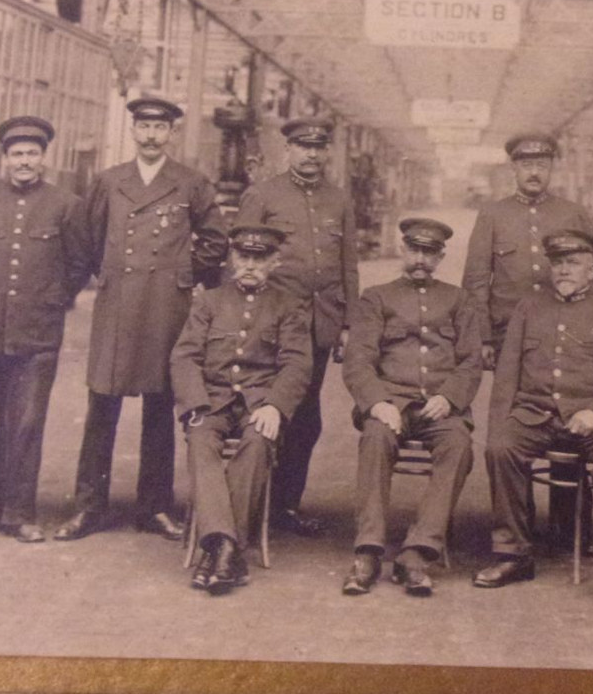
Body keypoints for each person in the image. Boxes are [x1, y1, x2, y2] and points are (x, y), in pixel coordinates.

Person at [54, 96, 227, 542]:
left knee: (159, 407)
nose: (151, 135)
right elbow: (85, 237)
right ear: (133, 131)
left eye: (160, 127)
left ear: (171, 133)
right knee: (102, 407)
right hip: (117, 304)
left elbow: (214, 239)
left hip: (166, 305)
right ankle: (89, 508)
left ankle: (155, 508)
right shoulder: (109, 182)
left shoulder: (191, 184)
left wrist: (184, 277)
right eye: (144, 126)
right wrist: (107, 273)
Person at [473, 230, 593, 612]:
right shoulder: (529, 308)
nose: (564, 270)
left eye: (573, 263)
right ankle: (514, 554)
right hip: (534, 415)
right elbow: (507, 376)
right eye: (558, 263)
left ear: (591, 269)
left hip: (592, 418)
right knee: (500, 450)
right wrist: (498, 427)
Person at [0, 116, 91, 544]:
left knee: (27, 423)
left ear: (43, 158)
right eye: (16, 154)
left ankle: (19, 513)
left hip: (38, 331)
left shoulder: (66, 205)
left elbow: (79, 264)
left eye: (31, 153)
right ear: (4, 159)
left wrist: (53, 296)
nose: (24, 161)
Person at [461, 133, 593, 537]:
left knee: (568, 419)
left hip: (568, 339)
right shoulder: (493, 215)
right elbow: (475, 281)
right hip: (510, 343)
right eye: (526, 165)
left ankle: (568, 526)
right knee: (510, 429)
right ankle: (514, 527)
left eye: (541, 164)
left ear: (552, 168)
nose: (534, 171)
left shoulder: (572, 213)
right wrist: (484, 338)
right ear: (514, 169)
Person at [341, 217, 481, 597]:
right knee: (375, 439)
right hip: (390, 404)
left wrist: (449, 398)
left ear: (440, 257)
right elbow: (358, 360)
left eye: (429, 252)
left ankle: (418, 552)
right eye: (414, 250)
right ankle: (368, 552)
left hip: (439, 406)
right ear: (403, 250)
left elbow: (470, 362)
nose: (421, 258)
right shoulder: (376, 297)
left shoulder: (459, 300)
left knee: (459, 446)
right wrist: (377, 402)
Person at [234, 116, 359, 536]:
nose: (310, 154)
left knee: (306, 418)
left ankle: (285, 506)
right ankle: (252, 504)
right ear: (287, 150)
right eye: (302, 146)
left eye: (318, 147)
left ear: (326, 152)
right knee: (269, 410)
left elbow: (347, 265)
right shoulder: (263, 195)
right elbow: (239, 262)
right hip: (272, 326)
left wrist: (346, 324)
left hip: (319, 325)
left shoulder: (339, 200)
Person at [171, 225, 312, 594]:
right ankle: (227, 549)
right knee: (200, 440)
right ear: (232, 258)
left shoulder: (289, 305)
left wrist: (276, 407)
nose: (250, 265)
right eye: (243, 257)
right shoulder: (209, 302)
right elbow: (185, 357)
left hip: (259, 404)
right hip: (213, 401)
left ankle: (217, 551)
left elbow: (297, 364)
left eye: (260, 258)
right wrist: (195, 406)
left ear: (274, 261)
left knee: (258, 441)